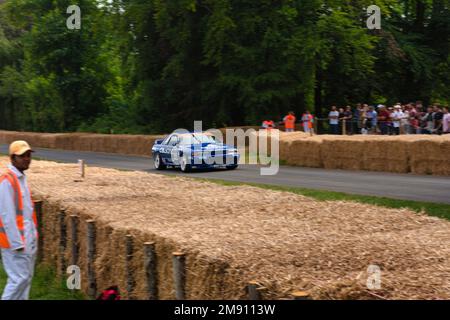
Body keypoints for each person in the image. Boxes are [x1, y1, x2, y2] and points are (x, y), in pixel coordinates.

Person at [0, 141, 38, 300]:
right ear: (12, 158)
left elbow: (27, 214)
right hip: (15, 243)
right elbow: (6, 215)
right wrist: (17, 243)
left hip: (27, 241)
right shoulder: (7, 180)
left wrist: (33, 238)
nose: (27, 159)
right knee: (18, 280)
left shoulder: (21, 179)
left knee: (26, 280)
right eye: (22, 156)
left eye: (28, 155)